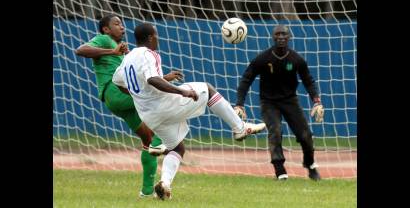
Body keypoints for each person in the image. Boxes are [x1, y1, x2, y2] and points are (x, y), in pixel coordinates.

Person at [112, 23, 266, 199]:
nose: (158, 39)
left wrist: (139, 95)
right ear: (150, 38)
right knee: (207, 90)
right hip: (164, 105)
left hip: (149, 115)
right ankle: (239, 128)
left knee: (177, 148)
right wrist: (182, 91)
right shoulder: (148, 54)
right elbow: (152, 79)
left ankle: (164, 185)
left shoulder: (127, 59)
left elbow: (117, 81)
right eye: (156, 35)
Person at [74, 14, 176, 197]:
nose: (122, 27)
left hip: (118, 101)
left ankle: (146, 192)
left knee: (148, 139)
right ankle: (162, 142)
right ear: (106, 29)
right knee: (162, 100)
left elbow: (137, 78)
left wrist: (164, 78)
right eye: (116, 23)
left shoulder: (124, 51)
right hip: (115, 92)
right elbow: (81, 50)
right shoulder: (104, 39)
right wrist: (112, 52)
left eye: (122, 24)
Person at [234, 25, 324, 181]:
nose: (281, 37)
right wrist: (240, 104)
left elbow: (308, 81)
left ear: (289, 37)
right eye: (277, 34)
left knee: (305, 135)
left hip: (290, 101)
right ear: (273, 37)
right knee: (275, 132)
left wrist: (317, 101)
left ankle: (310, 165)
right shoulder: (263, 58)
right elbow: (246, 79)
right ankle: (280, 170)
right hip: (269, 102)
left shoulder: (296, 59)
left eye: (284, 34)